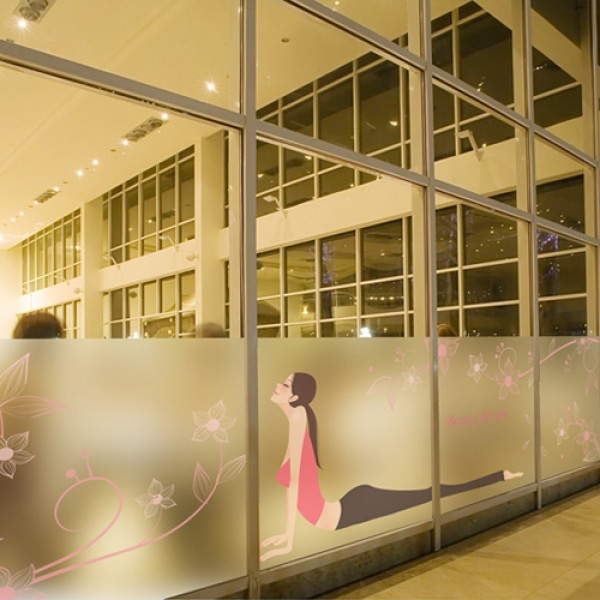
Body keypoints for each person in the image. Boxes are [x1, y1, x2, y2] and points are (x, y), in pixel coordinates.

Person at [260, 372, 523, 562]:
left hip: (344, 511)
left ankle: (499, 476)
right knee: (428, 493)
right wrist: (286, 535)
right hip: (347, 506)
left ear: (294, 396)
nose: (277, 386)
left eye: (284, 384)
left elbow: (294, 482)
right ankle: (500, 475)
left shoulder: (299, 416)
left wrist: (289, 540)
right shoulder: (296, 420)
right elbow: (292, 484)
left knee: (429, 493)